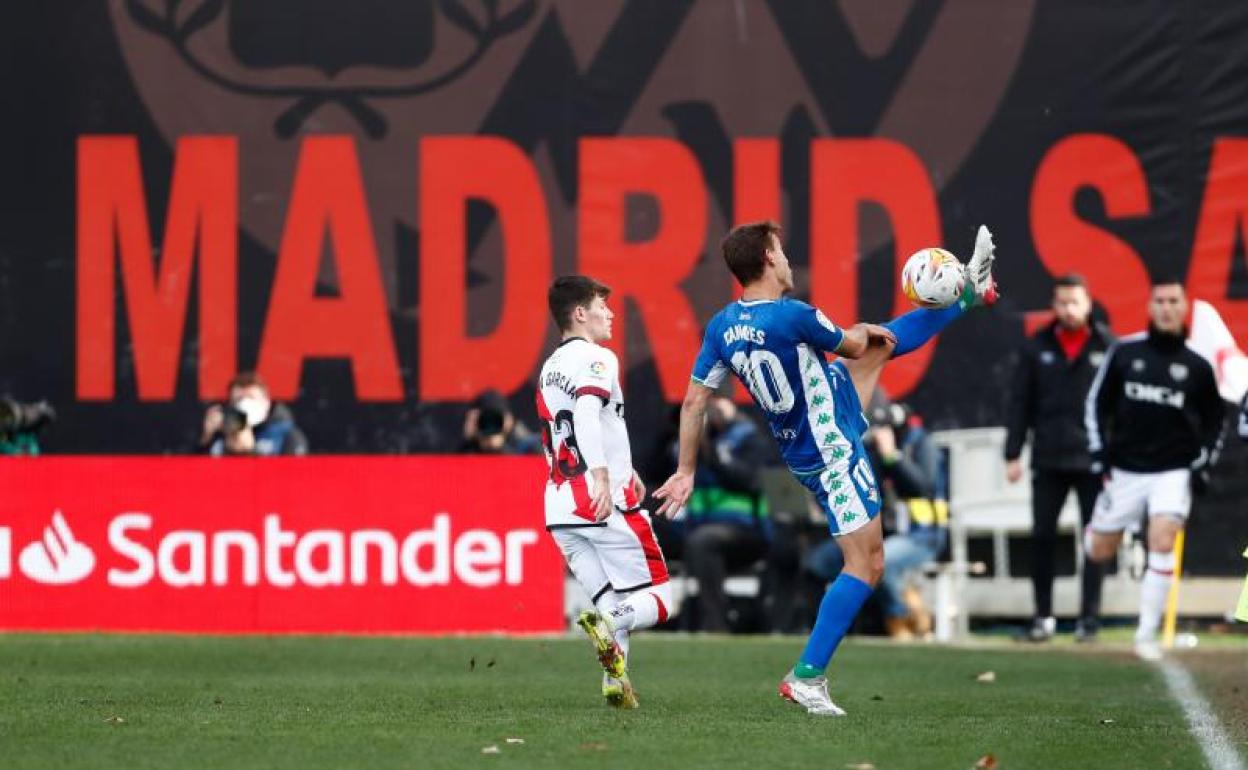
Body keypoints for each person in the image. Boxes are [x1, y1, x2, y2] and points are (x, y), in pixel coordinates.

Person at [655, 220, 997, 715]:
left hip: (812, 426)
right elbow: (853, 344)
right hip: (831, 449)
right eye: (781, 250)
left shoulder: (722, 326)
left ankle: (969, 294)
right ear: (768, 259)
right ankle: (807, 677)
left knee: (880, 347)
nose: (787, 259)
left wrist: (686, 469)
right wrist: (862, 331)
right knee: (868, 564)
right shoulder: (794, 315)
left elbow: (693, 403)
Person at [537, 275, 673, 709]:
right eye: (601, 306)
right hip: (599, 500)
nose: (610, 314)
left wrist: (623, 467)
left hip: (560, 507)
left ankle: (616, 683)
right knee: (661, 599)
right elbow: (585, 413)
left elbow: (569, 430)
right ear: (580, 313)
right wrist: (602, 475)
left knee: (614, 600)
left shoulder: (550, 367)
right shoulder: (597, 357)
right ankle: (606, 621)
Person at [1084, 281, 1226, 661]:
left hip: (1173, 470)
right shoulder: (1125, 352)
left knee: (1162, 541)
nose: (1166, 308)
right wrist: (1098, 454)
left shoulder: (1198, 365)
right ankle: (1102, 530)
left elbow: (1216, 419)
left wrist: (1204, 460)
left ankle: (1146, 634)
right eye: (1160, 301)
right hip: (1125, 469)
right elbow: (1096, 403)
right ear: (1150, 306)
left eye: (1173, 301)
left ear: (1184, 306)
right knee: (1099, 551)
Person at [1004, 274, 1115, 642]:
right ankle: (1043, 618)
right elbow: (1020, 402)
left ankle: (1089, 621)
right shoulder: (1037, 346)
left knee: (1094, 540)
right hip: (1048, 457)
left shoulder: (1108, 347)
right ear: (1053, 305)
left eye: (1075, 302)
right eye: (1062, 303)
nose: (1069, 310)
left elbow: (1118, 408)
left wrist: (1115, 455)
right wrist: (1013, 453)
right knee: (1042, 538)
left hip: (1093, 460)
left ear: (1088, 304)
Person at [805, 398, 947, 639]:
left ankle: (903, 619)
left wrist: (893, 456)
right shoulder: (874, 451)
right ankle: (824, 630)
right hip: (886, 534)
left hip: (922, 536)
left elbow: (923, 487)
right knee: (820, 561)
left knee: (881, 562)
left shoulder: (923, 445)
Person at [681, 393, 774, 632]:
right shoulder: (696, 442)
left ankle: (715, 625)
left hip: (745, 530)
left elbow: (749, 480)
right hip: (699, 526)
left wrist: (715, 455)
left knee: (704, 541)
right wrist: (691, 439)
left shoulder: (750, 438)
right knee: (647, 531)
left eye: (717, 403)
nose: (711, 411)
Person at [200, 372, 308, 456]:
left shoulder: (287, 435)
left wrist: (249, 451)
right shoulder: (222, 433)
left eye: (251, 397)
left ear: (266, 402)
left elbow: (291, 474)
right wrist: (206, 439)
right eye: (238, 399)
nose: (244, 403)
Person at [458, 389, 540, 454]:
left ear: (508, 420)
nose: (490, 423)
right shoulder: (467, 452)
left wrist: (499, 446)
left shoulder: (525, 447)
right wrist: (468, 439)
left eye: (496, 419)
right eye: (485, 419)